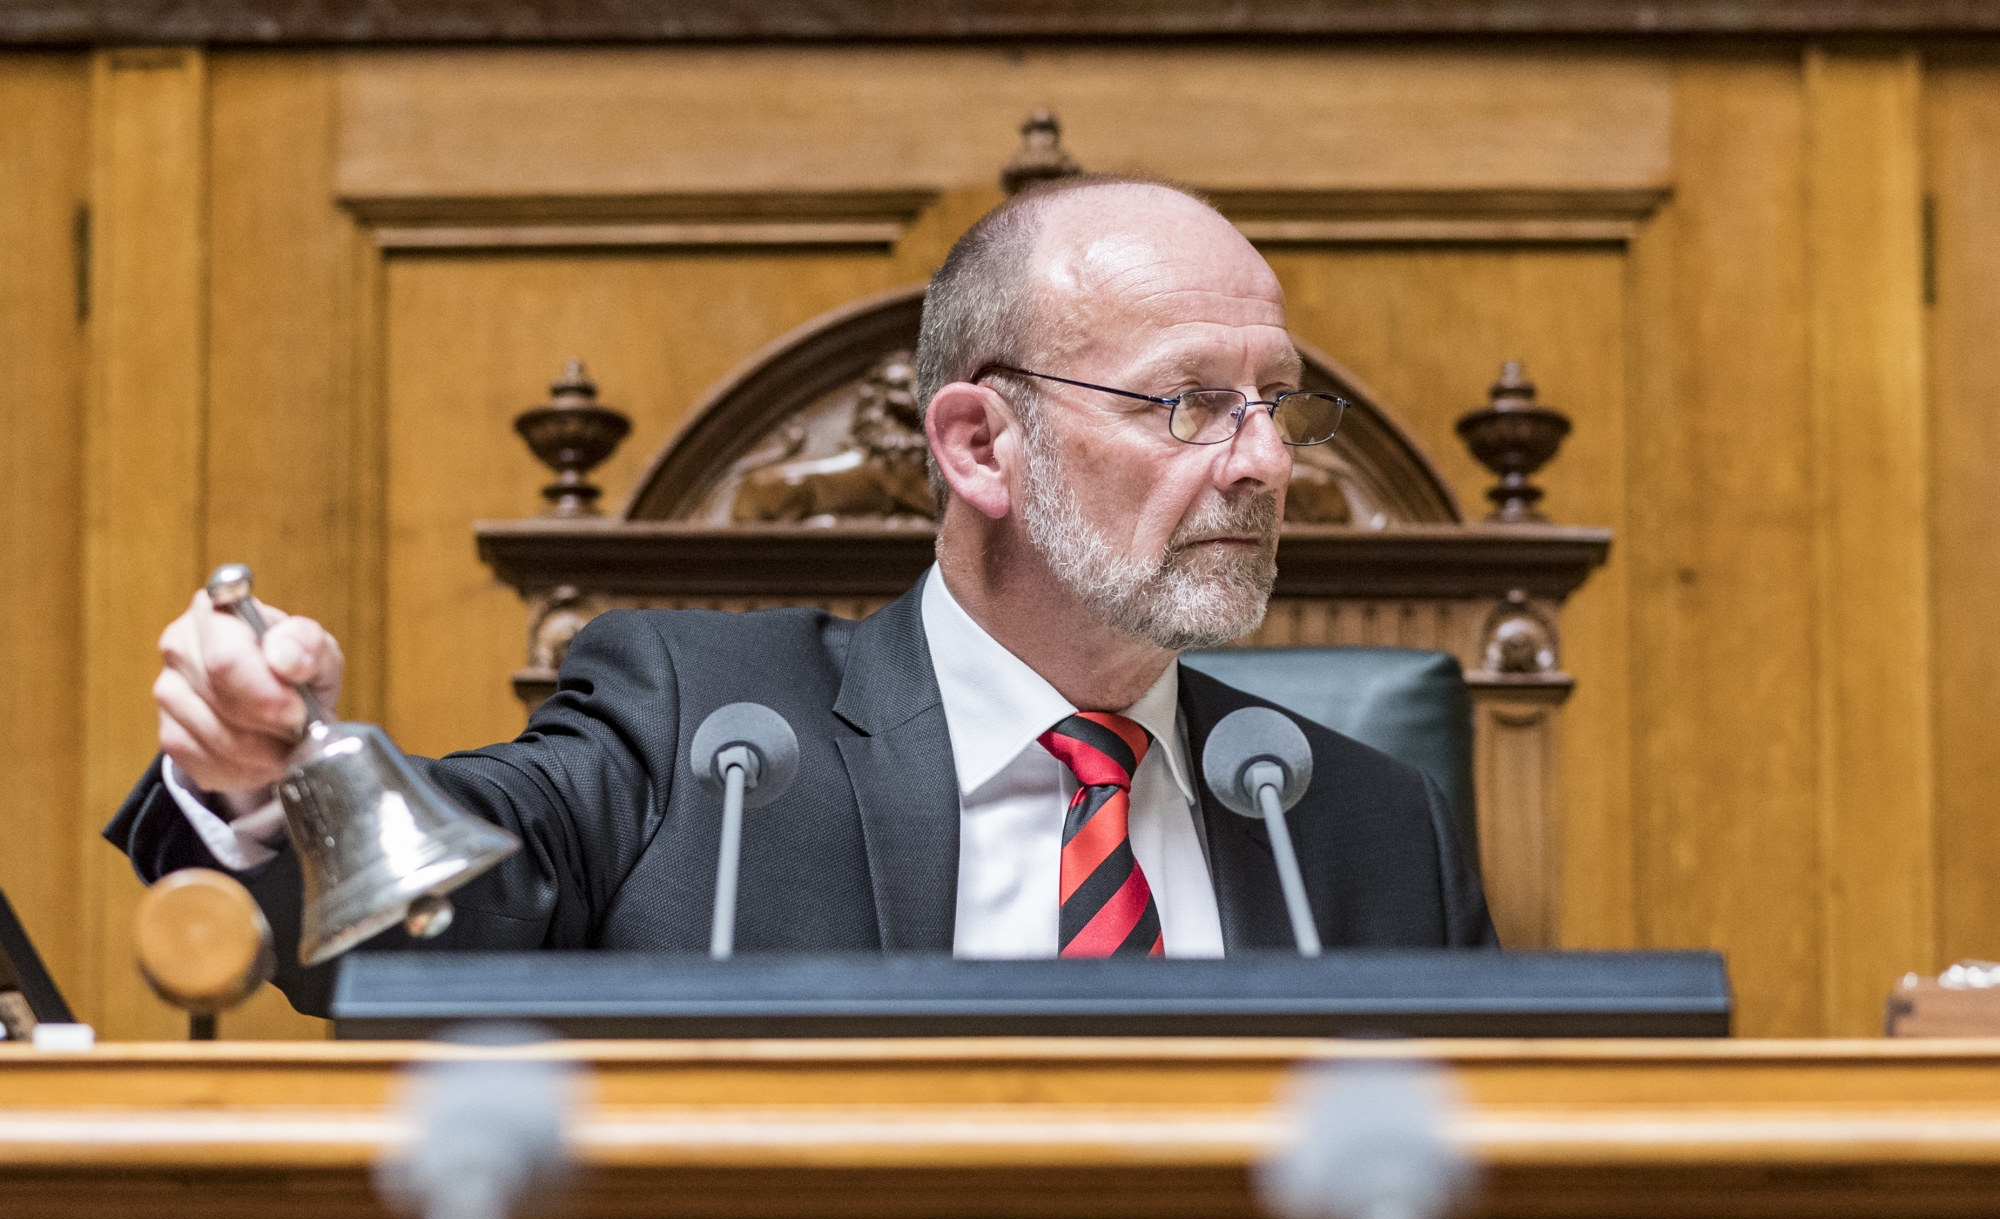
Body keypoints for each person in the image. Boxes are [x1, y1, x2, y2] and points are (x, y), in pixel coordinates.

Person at [108, 176, 1496, 1016]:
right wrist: (270, 778)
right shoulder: (701, 730)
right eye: (1193, 403)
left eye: (1277, 408)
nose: (1263, 463)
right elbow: (418, 937)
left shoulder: (1366, 823)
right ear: (976, 446)